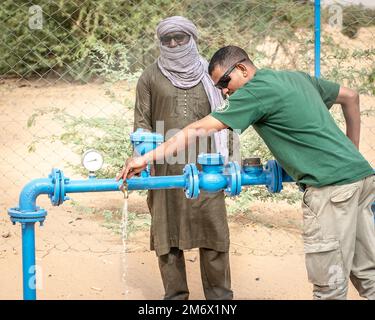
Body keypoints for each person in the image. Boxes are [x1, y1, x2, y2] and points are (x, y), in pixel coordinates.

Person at [117, 45, 375, 300]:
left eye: (225, 82)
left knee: (328, 286)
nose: (225, 91)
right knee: (368, 275)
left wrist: (146, 158)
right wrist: (351, 152)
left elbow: (197, 129)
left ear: (242, 68)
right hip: (362, 180)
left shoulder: (254, 91)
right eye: (219, 88)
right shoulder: (295, 78)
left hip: (330, 190)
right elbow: (351, 96)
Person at [127, 17, 233, 300]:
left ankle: (220, 298)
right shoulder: (149, 76)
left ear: (192, 38)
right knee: (167, 238)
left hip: (208, 167)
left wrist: (228, 162)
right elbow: (142, 125)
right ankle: (175, 298)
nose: (173, 44)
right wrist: (140, 158)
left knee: (214, 237)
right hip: (164, 170)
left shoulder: (211, 73)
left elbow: (227, 117)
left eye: (180, 38)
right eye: (167, 39)